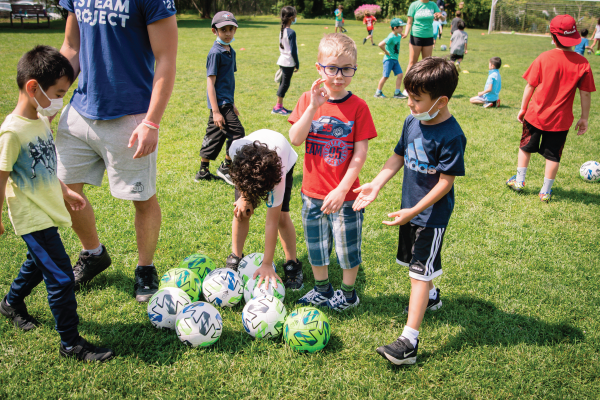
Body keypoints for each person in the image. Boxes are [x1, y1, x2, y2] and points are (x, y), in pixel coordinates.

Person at [0, 45, 114, 362]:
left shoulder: (39, 120)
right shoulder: (11, 132)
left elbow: (46, 165)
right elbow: (1, 176)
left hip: (48, 209)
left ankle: (10, 303)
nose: (61, 99)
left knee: (37, 263)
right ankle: (70, 344)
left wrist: (65, 191)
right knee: (61, 277)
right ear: (33, 87)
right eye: (59, 92)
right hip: (30, 215)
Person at [58, 0, 177, 302]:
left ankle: (145, 268)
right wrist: (50, 95)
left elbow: (166, 59)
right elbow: (71, 47)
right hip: (79, 112)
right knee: (62, 190)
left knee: (142, 197)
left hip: (131, 116)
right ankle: (93, 253)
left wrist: (151, 121)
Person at [353, 57, 465, 366]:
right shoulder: (412, 121)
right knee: (416, 268)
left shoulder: (451, 135)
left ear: (440, 102)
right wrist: (376, 184)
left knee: (418, 274)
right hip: (410, 211)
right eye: (409, 96)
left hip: (431, 216)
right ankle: (430, 298)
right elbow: (398, 155)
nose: (409, 103)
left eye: (416, 99)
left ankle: (409, 342)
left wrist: (414, 209)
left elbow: (445, 183)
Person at [288, 33, 377, 311]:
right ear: (319, 68)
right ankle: (323, 289)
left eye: (347, 69)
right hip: (312, 193)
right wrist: (313, 106)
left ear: (354, 68)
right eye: (332, 68)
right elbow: (295, 138)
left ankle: (348, 294)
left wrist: (342, 190)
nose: (339, 76)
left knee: (347, 248)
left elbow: (360, 154)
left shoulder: (358, 106)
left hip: (346, 195)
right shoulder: (307, 99)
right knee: (316, 244)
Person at [506, 15, 595, 203]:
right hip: (561, 121)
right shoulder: (582, 63)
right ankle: (545, 191)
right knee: (553, 155)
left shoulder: (544, 57)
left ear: (553, 37)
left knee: (525, 147)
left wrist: (523, 108)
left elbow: (530, 85)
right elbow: (585, 93)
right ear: (575, 36)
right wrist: (584, 118)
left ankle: (520, 181)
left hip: (535, 115)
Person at [226, 129, 304, 291]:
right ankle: (236, 257)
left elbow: (271, 223)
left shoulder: (278, 175)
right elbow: (237, 171)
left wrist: (267, 264)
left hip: (282, 158)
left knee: (282, 217)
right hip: (247, 162)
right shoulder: (236, 150)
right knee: (242, 211)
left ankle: (292, 264)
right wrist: (244, 196)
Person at [196, 12, 245, 185]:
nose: (228, 33)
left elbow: (227, 81)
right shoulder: (215, 53)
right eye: (223, 29)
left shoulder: (230, 51)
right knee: (238, 133)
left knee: (214, 134)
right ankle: (226, 166)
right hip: (220, 104)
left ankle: (203, 171)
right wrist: (216, 110)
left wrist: (233, 104)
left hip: (226, 102)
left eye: (231, 29)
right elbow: (211, 83)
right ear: (214, 31)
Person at [402, 0, 445, 89]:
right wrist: (406, 33)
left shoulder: (433, 5)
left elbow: (443, 19)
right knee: (412, 63)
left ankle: (425, 86)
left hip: (429, 37)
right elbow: (409, 22)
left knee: (427, 64)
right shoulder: (414, 5)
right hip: (416, 36)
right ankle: (407, 87)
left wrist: (441, 16)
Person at [273, 6, 299, 116]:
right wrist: (297, 63)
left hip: (283, 60)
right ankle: (277, 107)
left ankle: (280, 106)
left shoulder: (282, 30)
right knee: (285, 84)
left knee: (283, 83)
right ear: (291, 17)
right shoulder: (291, 32)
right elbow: (293, 51)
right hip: (288, 62)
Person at [375, 18, 408, 99]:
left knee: (400, 75)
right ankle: (378, 93)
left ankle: (397, 93)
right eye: (401, 27)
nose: (402, 28)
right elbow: (380, 44)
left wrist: (402, 34)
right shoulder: (391, 37)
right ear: (395, 28)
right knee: (385, 76)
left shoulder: (398, 35)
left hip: (395, 59)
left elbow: (400, 35)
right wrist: (386, 52)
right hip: (388, 59)